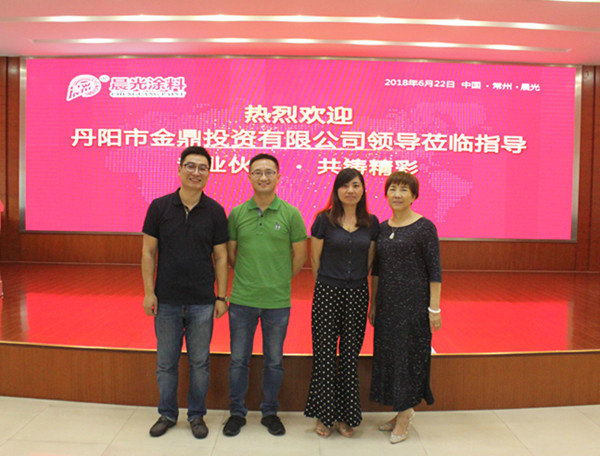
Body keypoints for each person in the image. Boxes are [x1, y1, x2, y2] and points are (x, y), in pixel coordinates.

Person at [141, 146, 229, 439]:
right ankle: (167, 414)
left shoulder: (215, 211)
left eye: (202, 167)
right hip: (166, 300)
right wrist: (149, 293)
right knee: (166, 363)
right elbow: (148, 252)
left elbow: (220, 256)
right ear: (179, 169)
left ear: (209, 173)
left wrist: (221, 296)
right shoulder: (159, 207)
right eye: (190, 166)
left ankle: (196, 415)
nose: (196, 172)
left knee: (200, 363)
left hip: (202, 302)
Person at [223, 153, 307, 437]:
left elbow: (300, 256)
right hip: (242, 300)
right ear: (249, 176)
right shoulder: (237, 213)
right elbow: (231, 255)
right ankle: (237, 412)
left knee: (274, 360)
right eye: (257, 172)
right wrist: (251, 278)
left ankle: (270, 412)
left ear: (278, 177)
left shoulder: (291, 214)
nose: (263, 177)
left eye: (269, 172)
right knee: (238, 360)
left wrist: (278, 280)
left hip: (277, 302)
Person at [304, 168, 379, 438]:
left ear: (363, 190)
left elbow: (370, 262)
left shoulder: (371, 223)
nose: (350, 190)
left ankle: (346, 417)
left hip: (357, 294)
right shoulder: (324, 220)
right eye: (345, 185)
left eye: (356, 185)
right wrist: (330, 282)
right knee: (324, 355)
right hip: (327, 292)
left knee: (349, 357)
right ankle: (324, 416)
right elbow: (315, 260)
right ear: (336, 190)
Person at [368, 171, 442, 444]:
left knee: (408, 358)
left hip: (413, 306)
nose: (397, 195)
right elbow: (376, 271)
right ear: (386, 193)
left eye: (403, 190)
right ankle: (401, 409)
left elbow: (435, 270)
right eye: (393, 189)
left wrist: (434, 309)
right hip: (387, 305)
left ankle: (405, 414)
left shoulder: (424, 227)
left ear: (413, 196)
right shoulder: (382, 228)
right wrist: (374, 303)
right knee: (390, 357)